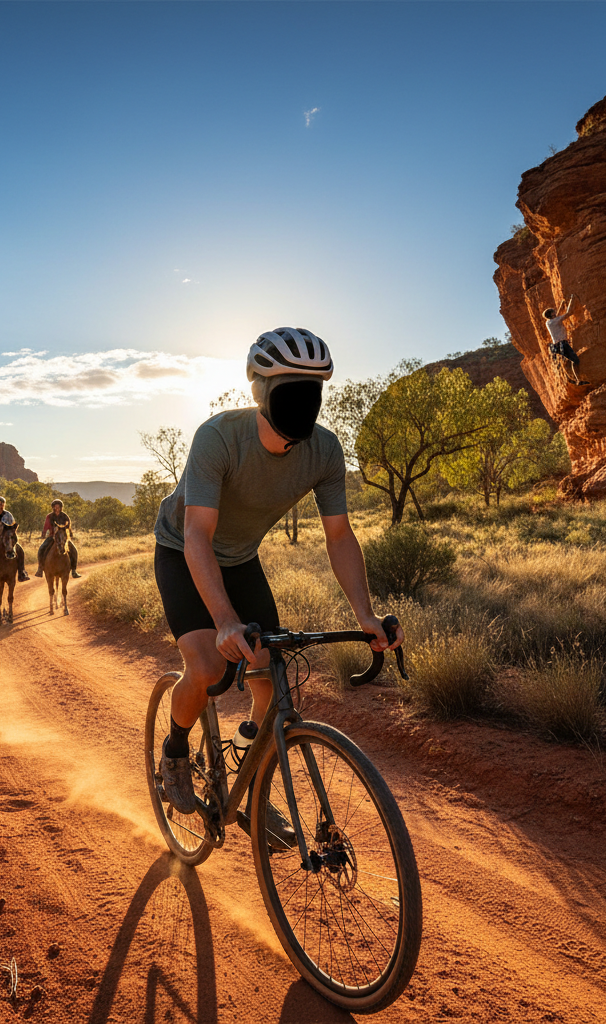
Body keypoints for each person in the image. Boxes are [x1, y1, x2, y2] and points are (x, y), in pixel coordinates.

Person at [152, 326, 402, 846]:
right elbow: (198, 535)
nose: (305, 404)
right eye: (292, 391)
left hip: (240, 558)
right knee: (208, 666)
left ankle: (251, 774)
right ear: (261, 393)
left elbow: (339, 537)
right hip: (183, 551)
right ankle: (176, 750)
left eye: (314, 392)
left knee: (273, 673)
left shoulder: (325, 452)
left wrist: (366, 617)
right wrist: (223, 621)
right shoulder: (218, 437)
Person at [543, 296, 587, 385]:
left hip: (557, 345)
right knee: (575, 360)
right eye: (553, 312)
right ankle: (578, 380)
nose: (555, 312)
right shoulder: (554, 321)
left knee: (571, 359)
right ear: (551, 314)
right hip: (562, 344)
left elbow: (557, 317)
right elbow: (568, 313)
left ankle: (574, 379)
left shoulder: (548, 322)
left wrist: (562, 305)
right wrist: (572, 300)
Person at [34, 499, 82, 578]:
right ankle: (40, 568)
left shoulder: (64, 516)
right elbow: (46, 526)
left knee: (74, 550)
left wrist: (69, 534)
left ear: (61, 507)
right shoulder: (49, 516)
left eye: (58, 506)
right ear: (53, 507)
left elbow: (68, 526)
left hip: (63, 537)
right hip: (52, 536)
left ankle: (74, 570)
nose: (57, 508)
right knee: (41, 549)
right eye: (55, 507)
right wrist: (43, 534)